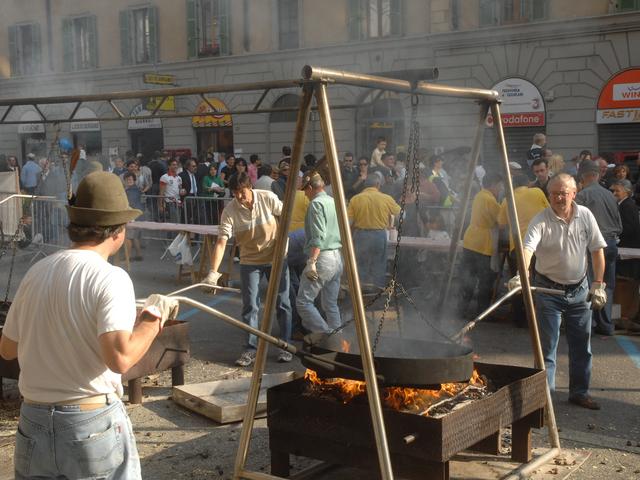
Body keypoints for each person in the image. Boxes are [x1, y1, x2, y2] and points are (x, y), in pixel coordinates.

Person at [0, 171, 178, 478]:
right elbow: (120, 358)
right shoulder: (111, 278)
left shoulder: (36, 272)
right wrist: (152, 319)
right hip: (88, 421)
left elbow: (7, 349)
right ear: (118, 231)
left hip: (34, 419)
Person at [508, 173, 606, 410]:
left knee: (582, 345)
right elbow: (527, 249)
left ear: (574, 194)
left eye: (564, 193)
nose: (559, 197)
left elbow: (597, 251)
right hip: (547, 290)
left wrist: (599, 284)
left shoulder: (585, 216)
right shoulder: (541, 219)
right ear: (548, 195)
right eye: (554, 193)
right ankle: (544, 400)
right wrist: (522, 274)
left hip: (580, 290)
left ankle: (579, 393)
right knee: (546, 348)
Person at [203, 172, 292, 366]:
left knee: (282, 302)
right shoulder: (229, 211)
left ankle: (285, 346)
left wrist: (283, 245)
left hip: (276, 258)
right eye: (235, 193)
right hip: (250, 261)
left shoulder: (267, 198)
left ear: (249, 187)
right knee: (250, 306)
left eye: (242, 192)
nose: (239, 197)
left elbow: (286, 217)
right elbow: (221, 241)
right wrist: (213, 272)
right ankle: (251, 349)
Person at [576, 160, 622, 336]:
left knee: (590, 284)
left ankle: (591, 323)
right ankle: (605, 324)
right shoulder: (610, 194)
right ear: (597, 175)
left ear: (583, 176)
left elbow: (576, 223)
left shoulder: (583, 195)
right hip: (611, 242)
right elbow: (619, 222)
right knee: (606, 285)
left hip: (594, 245)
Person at [498, 173, 549, 327]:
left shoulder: (507, 199)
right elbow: (549, 210)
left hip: (518, 248)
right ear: (528, 183)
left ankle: (519, 318)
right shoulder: (537, 192)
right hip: (540, 246)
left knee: (518, 282)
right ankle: (540, 317)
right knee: (541, 282)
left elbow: (501, 223)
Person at [296, 173, 343, 333]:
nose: (305, 194)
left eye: (305, 190)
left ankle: (328, 336)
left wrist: (311, 262)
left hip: (322, 258)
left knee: (303, 302)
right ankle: (339, 337)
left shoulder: (316, 204)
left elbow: (318, 237)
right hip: (337, 257)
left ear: (310, 188)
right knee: (330, 304)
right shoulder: (332, 201)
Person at [459, 172, 503, 317]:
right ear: (494, 185)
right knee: (485, 280)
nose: (500, 188)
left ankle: (461, 309)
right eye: (500, 185)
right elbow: (502, 220)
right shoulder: (489, 199)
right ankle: (482, 312)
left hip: (470, 240)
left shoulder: (480, 195)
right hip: (482, 244)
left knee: (468, 277)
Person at [347, 173, 401, 290]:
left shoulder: (355, 199)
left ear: (365, 185)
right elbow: (402, 216)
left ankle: (361, 292)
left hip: (361, 235)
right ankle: (378, 291)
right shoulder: (386, 198)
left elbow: (348, 222)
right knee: (379, 263)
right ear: (378, 185)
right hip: (379, 235)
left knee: (361, 263)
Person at [158, 158, 183, 223]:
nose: (175, 166)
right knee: (173, 222)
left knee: (177, 222)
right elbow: (161, 192)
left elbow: (180, 190)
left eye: (176, 165)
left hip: (178, 202)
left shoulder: (179, 178)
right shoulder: (164, 177)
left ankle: (174, 233)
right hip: (169, 203)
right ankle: (172, 233)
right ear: (169, 166)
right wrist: (160, 205)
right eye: (173, 165)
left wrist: (183, 191)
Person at [179, 158, 201, 224]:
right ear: (188, 167)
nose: (195, 167)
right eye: (193, 166)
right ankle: (186, 232)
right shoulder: (182, 175)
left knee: (195, 217)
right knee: (186, 217)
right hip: (187, 198)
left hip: (195, 197)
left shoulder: (195, 174)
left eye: (196, 166)